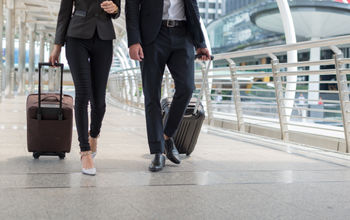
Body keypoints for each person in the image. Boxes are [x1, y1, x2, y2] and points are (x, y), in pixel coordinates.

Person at [126, 0, 211, 172]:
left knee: (187, 88)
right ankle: (158, 152)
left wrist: (200, 43)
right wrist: (133, 41)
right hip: (152, 36)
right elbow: (132, 7)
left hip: (183, 34)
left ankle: (166, 135)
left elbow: (192, 7)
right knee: (152, 95)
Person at [50, 0, 121, 176]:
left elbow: (116, 10)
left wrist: (115, 9)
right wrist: (57, 46)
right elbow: (64, 12)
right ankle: (84, 151)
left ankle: (94, 134)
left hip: (104, 37)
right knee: (83, 94)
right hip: (76, 36)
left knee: (100, 102)